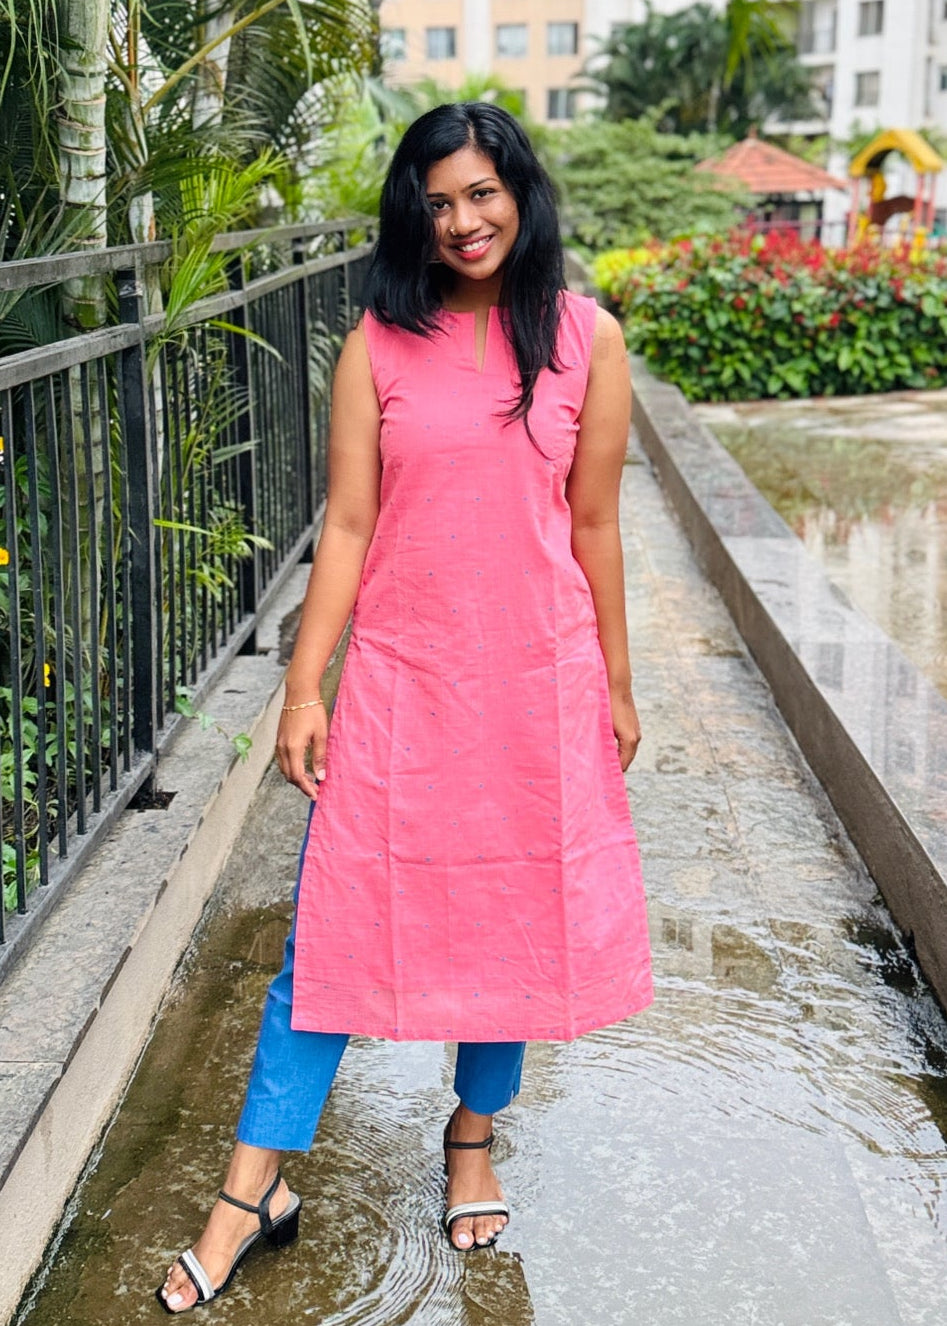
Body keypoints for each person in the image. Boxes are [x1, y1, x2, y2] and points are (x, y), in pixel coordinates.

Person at [156, 101, 652, 1315]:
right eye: (436, 202)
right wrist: (303, 684)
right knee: (325, 945)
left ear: (521, 195)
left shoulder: (587, 340)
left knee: (513, 928)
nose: (462, 220)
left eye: (481, 193)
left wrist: (617, 685)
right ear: (412, 219)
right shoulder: (377, 345)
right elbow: (347, 526)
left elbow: (592, 526)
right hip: (402, 684)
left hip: (533, 684)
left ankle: (470, 1141)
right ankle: (248, 1193)